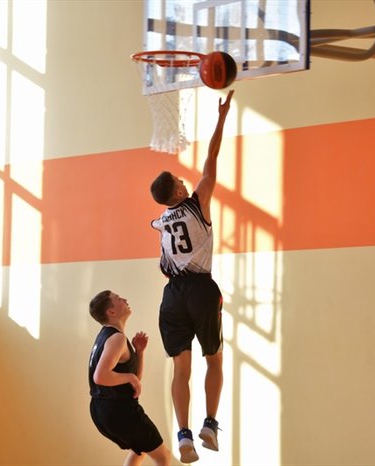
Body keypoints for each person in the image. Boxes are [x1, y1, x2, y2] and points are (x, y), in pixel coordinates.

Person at [149, 90, 234, 463]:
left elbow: (163, 264)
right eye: (180, 180)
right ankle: (210, 425)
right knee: (213, 359)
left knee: (180, 368)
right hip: (200, 288)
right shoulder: (197, 202)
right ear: (179, 189)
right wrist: (221, 117)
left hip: (171, 296)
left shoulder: (160, 221)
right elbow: (211, 159)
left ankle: (183, 435)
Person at [88, 290, 171, 466]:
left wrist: (139, 353)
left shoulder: (108, 336)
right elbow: (100, 376)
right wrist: (131, 377)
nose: (124, 299)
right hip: (119, 411)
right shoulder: (116, 339)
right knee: (163, 457)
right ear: (111, 312)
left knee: (139, 450)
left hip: (102, 410)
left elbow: (134, 381)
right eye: (118, 299)